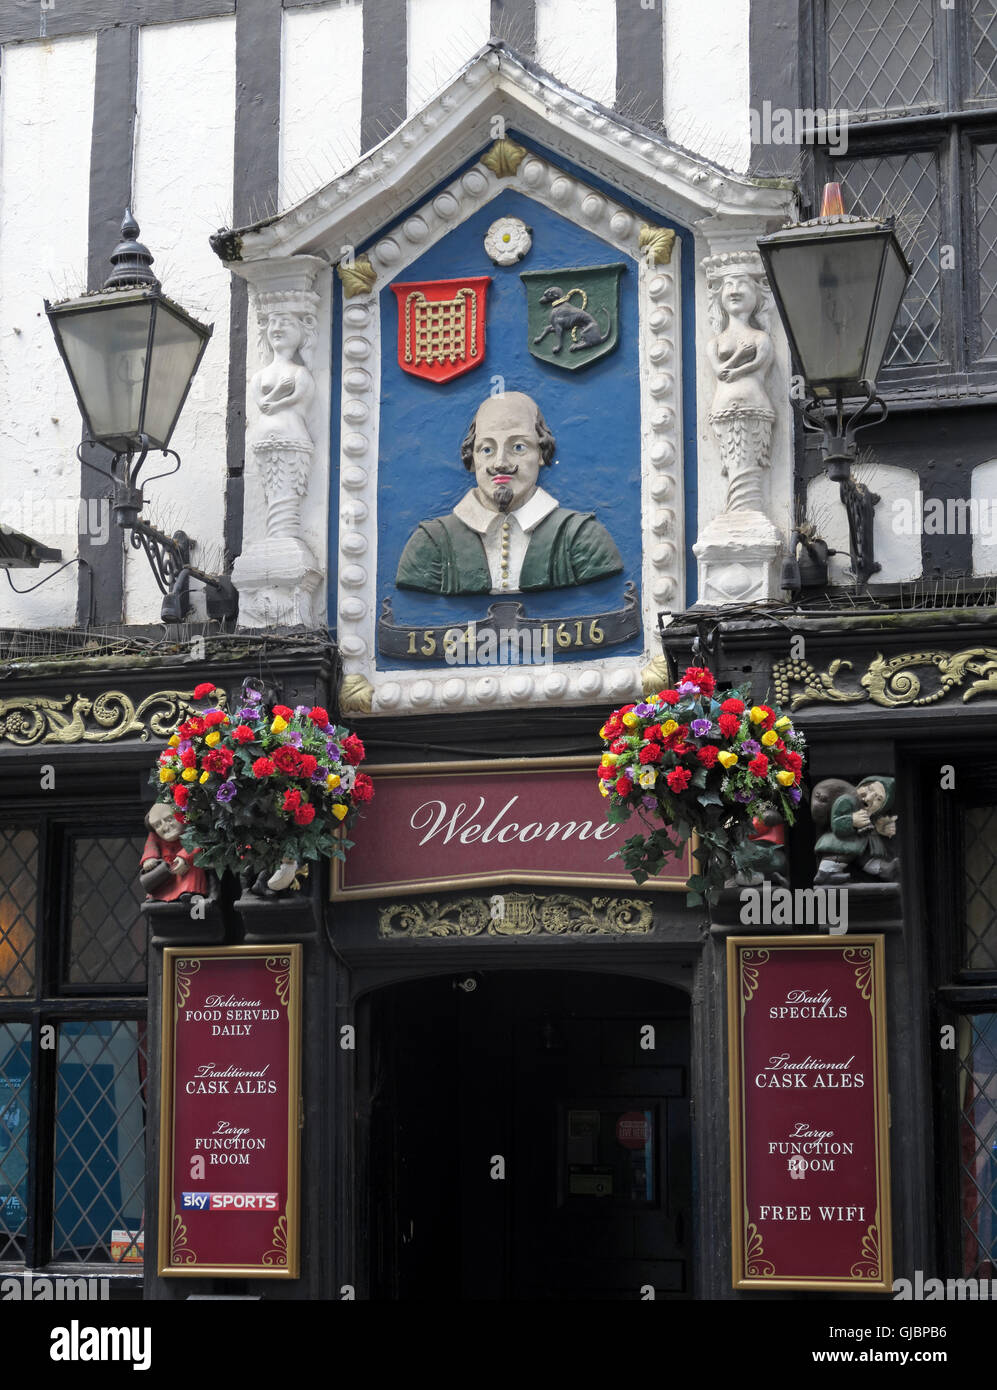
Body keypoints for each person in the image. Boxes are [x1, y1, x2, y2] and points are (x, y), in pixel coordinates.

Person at [394, 391, 623, 595]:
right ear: (472, 459)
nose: (500, 463)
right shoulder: (431, 543)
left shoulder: (582, 538)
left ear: (541, 453)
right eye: (487, 449)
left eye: (518, 447)